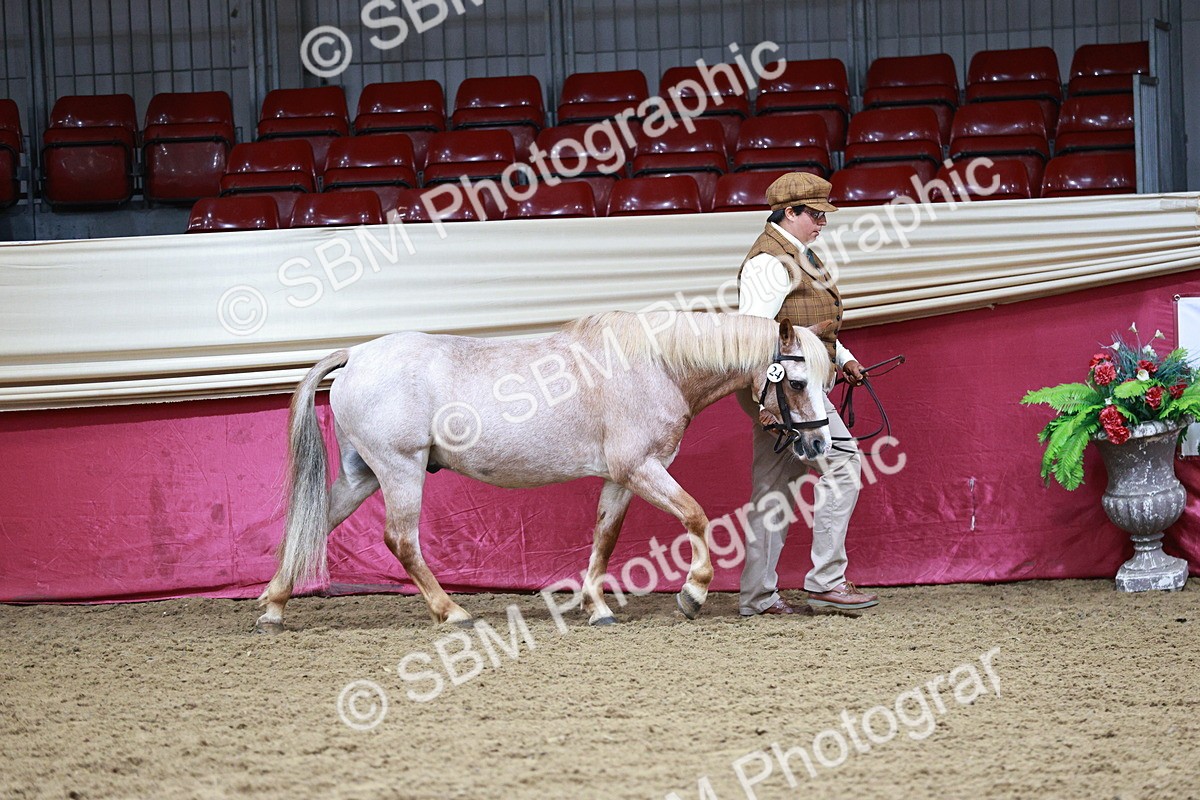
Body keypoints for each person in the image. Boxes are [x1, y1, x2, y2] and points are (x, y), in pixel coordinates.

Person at [736, 172, 879, 616]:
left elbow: (814, 325)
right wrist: (769, 404)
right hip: (786, 390)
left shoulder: (799, 254)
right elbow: (756, 337)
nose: (822, 222)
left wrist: (844, 357)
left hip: (793, 386)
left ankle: (758, 597)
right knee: (843, 463)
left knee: (774, 491)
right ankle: (826, 581)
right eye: (815, 214)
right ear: (790, 212)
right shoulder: (768, 263)